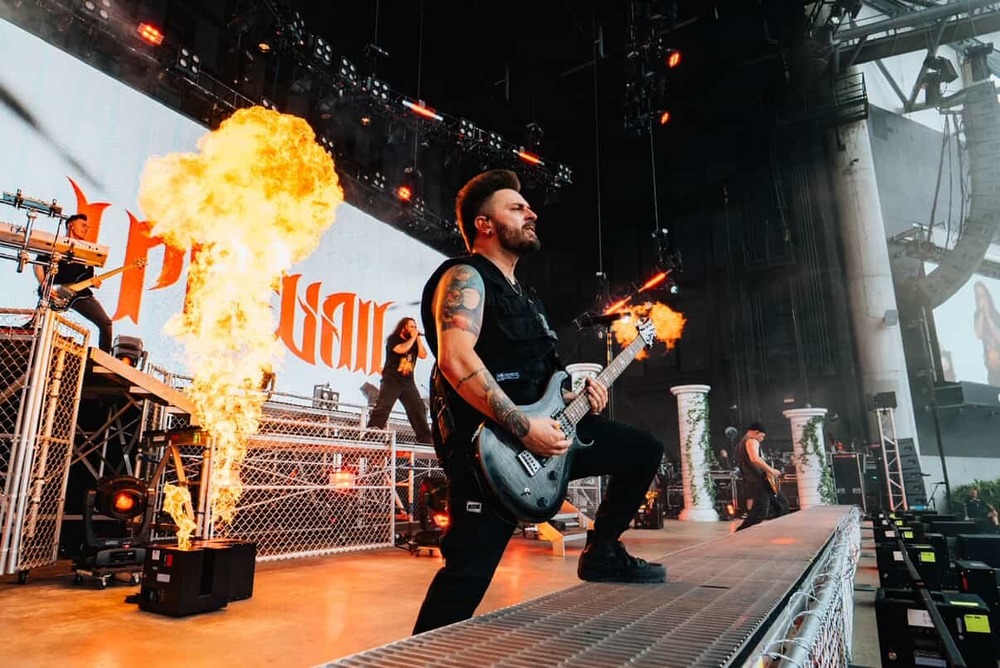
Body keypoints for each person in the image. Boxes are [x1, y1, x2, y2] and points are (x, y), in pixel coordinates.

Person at [412, 169, 665, 634]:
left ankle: (602, 550)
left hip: (547, 434)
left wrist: (578, 396)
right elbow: (455, 356)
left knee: (643, 449)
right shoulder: (465, 275)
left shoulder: (528, 300)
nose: (531, 212)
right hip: (491, 452)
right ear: (485, 224)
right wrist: (523, 427)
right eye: (516, 207)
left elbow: (547, 383)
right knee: (465, 579)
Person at [33, 213, 113, 353]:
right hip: (56, 291)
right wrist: (44, 284)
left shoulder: (88, 251)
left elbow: (86, 278)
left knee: (106, 323)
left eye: (88, 227)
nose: (86, 229)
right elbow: (38, 264)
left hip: (80, 295)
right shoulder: (56, 244)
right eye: (83, 225)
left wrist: (94, 283)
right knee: (40, 322)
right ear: (70, 225)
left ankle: (106, 357)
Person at [367, 316, 434, 444]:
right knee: (383, 408)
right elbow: (401, 349)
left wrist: (418, 339)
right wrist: (413, 338)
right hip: (391, 381)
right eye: (411, 326)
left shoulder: (414, 341)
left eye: (415, 326)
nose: (414, 329)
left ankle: (425, 439)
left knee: (417, 409)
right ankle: (371, 436)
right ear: (404, 327)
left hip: (408, 382)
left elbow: (423, 355)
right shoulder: (394, 339)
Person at [735, 422, 784, 532]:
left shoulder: (741, 443)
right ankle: (740, 532)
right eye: (761, 436)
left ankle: (776, 529)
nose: (762, 439)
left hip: (756, 479)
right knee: (760, 511)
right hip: (758, 480)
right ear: (755, 432)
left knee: (780, 506)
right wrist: (771, 470)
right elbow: (755, 459)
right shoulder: (752, 441)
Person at [973, 281, 1000, 386]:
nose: (982, 299)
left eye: (983, 296)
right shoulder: (978, 315)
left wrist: (988, 316)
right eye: (979, 297)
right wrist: (982, 314)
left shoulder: (996, 315)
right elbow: (978, 334)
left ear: (988, 296)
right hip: (991, 364)